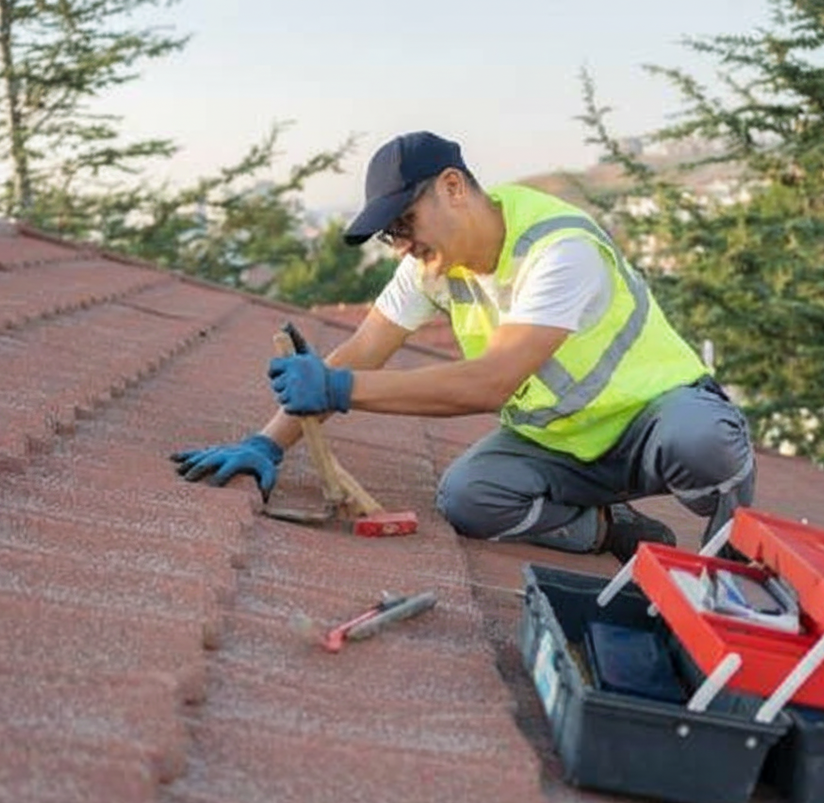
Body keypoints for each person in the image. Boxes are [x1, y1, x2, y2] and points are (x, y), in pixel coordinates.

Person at [171, 131, 755, 562]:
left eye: (404, 223)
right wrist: (266, 445)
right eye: (388, 234)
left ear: (453, 188)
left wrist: (340, 390)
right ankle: (614, 530)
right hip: (567, 450)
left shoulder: (558, 247)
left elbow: (492, 381)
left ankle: (739, 559)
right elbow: (365, 348)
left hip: (654, 426)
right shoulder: (433, 265)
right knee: (469, 498)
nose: (400, 245)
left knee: (705, 441)